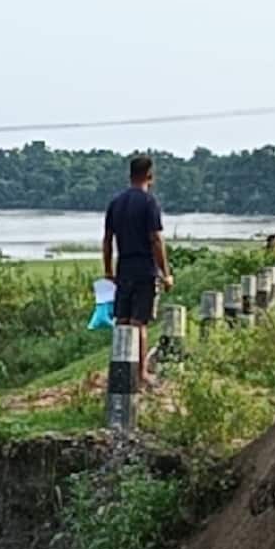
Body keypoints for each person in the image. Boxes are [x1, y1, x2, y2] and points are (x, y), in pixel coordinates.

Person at [102, 154, 173, 384]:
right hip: (144, 269)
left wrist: (108, 271)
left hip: (124, 268)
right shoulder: (149, 202)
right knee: (139, 322)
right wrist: (165, 272)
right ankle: (141, 374)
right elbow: (156, 239)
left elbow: (107, 240)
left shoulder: (116, 203)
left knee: (122, 320)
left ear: (130, 175)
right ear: (150, 176)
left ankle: (120, 369)